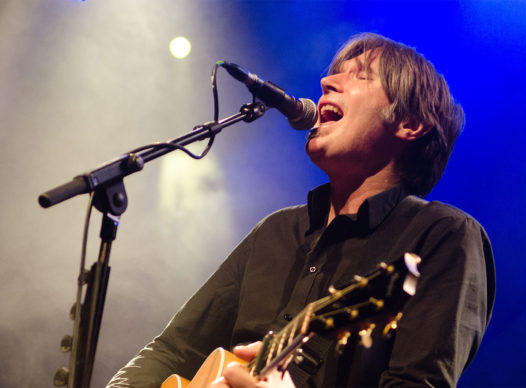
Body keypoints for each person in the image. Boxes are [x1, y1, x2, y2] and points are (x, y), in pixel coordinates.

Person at [107, 33, 495, 388]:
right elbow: (172, 352)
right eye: (333, 75)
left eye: (361, 76)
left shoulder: (442, 235)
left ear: (410, 123)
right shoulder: (275, 232)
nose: (327, 83)